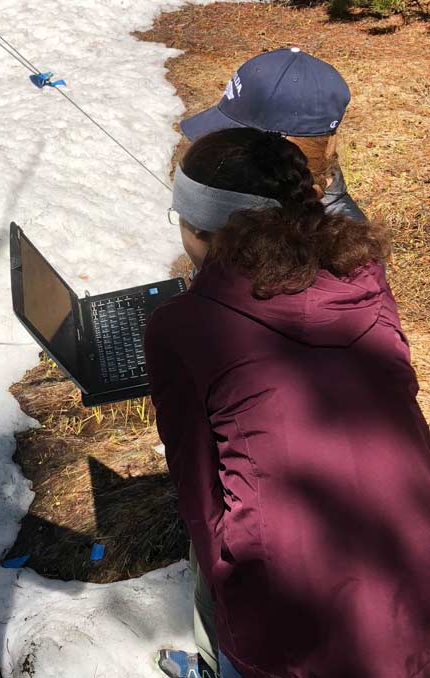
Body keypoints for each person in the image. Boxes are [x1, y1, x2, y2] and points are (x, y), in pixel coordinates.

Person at [147, 127, 430, 678]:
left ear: (201, 230)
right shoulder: (362, 274)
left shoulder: (184, 326)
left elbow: (200, 493)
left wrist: (233, 599)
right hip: (416, 556)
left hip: (291, 607)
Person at [160, 48, 369, 678]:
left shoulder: (328, 246)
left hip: (271, 540)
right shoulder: (320, 223)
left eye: (233, 131)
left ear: (273, 148)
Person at [181, 48, 365, 222]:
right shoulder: (266, 202)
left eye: (236, 140)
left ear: (289, 148)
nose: (222, 152)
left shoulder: (345, 247)